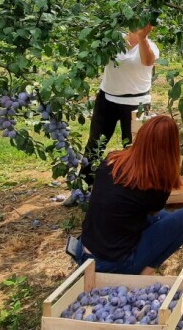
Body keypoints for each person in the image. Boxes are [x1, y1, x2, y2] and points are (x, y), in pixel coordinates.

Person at [71, 115, 183, 275]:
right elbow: (153, 211)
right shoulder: (155, 184)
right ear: (172, 148)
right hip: (110, 264)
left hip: (83, 251)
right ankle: (145, 272)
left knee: (164, 217)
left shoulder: (112, 160)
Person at [65, 24, 159, 206]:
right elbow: (93, 55)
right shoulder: (112, 40)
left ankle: (132, 194)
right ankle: (82, 189)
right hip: (107, 100)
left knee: (134, 148)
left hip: (137, 103)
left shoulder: (150, 46)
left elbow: (148, 61)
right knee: (94, 144)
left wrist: (143, 38)